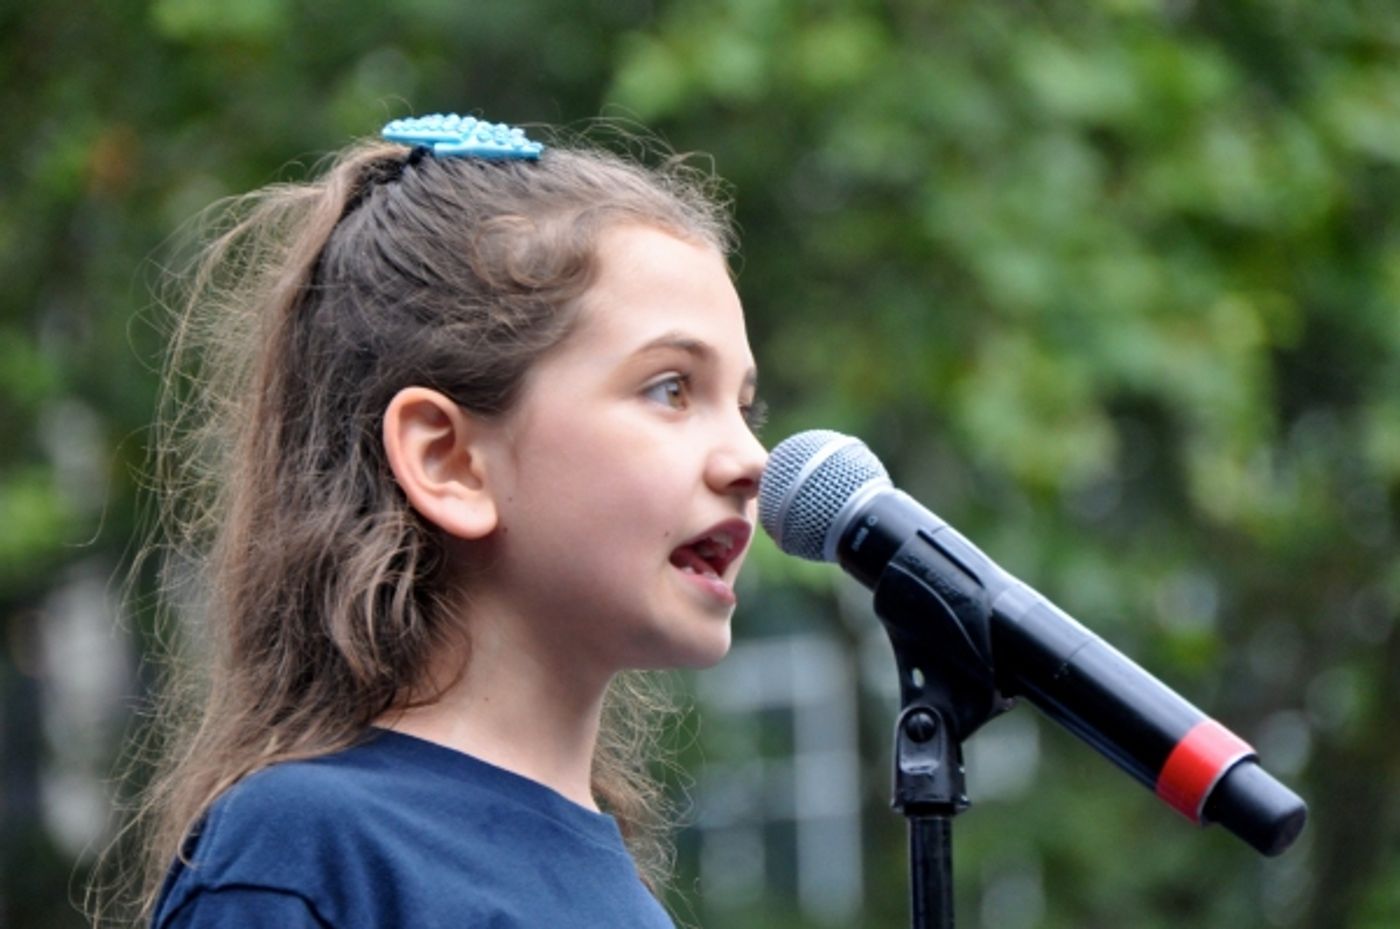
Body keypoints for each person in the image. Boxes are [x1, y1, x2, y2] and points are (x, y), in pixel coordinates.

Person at [116, 113, 769, 928]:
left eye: (746, 406)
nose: (751, 461)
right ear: (449, 460)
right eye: (671, 387)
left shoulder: (625, 896)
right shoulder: (304, 858)